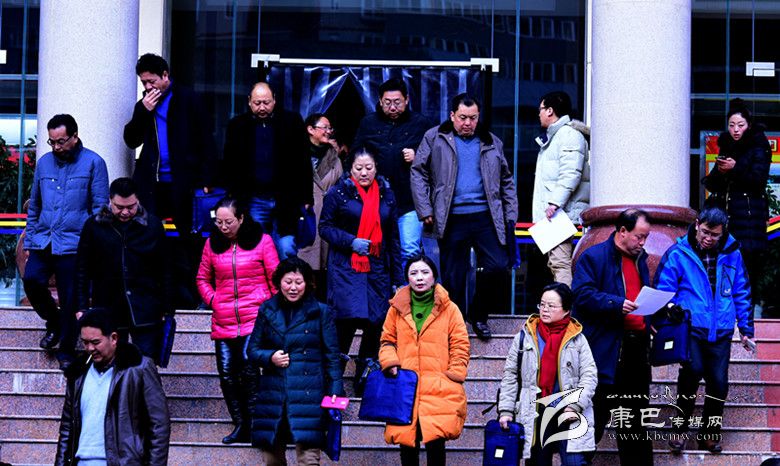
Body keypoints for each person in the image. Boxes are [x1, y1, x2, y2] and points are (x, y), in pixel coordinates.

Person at [411, 93, 518, 339]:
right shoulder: (435, 137)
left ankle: (478, 315)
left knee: (498, 266)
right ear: (452, 116)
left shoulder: (491, 141)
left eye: (473, 118)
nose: (468, 123)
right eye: (462, 118)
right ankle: (456, 324)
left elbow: (506, 180)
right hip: (451, 216)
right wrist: (425, 209)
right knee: (453, 275)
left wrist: (510, 215)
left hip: (486, 216)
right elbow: (418, 172)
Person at [655, 206, 754, 453]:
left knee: (719, 383)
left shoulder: (732, 253)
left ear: (723, 232)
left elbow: (741, 291)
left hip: (721, 329)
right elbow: (663, 289)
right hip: (691, 326)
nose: (709, 238)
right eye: (706, 232)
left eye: (715, 235)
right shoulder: (678, 253)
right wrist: (671, 307)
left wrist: (745, 329)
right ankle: (679, 431)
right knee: (692, 373)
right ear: (697, 224)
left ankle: (709, 434)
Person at [123, 53, 217, 308]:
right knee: (148, 236)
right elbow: (131, 139)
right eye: (144, 82)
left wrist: (207, 179)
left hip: (184, 183)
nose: (148, 87)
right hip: (152, 184)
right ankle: (151, 293)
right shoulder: (144, 105)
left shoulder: (188, 99)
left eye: (152, 81)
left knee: (189, 241)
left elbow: (206, 139)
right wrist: (144, 112)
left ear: (165, 76)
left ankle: (194, 296)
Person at [23, 114, 109, 367]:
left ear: (74, 136)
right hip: (44, 239)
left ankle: (67, 350)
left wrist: (92, 245)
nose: (56, 147)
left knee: (71, 298)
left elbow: (100, 208)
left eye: (61, 141)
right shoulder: (44, 163)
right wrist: (29, 241)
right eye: (52, 142)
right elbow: (35, 205)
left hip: (75, 243)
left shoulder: (94, 162)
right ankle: (54, 321)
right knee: (31, 280)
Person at [571, 208, 654, 465]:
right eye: (639, 236)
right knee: (593, 418)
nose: (642, 242)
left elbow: (639, 297)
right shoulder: (593, 257)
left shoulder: (641, 260)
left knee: (635, 423)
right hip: (604, 351)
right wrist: (615, 303)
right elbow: (581, 295)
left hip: (636, 351)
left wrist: (650, 320)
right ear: (622, 231)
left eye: (646, 237)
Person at [196, 196, 280, 444]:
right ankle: (240, 424)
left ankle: (255, 425)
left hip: (255, 316)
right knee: (226, 373)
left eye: (228, 222)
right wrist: (214, 300)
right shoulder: (212, 244)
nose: (223, 227)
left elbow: (276, 279)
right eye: (219, 222)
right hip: (224, 318)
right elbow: (202, 278)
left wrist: (269, 309)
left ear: (241, 219)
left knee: (249, 367)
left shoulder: (262, 241)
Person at [319, 148, 404, 391]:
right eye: (359, 168)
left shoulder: (386, 194)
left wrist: (398, 279)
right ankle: (333, 384)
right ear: (350, 169)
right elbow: (324, 227)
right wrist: (350, 241)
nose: (364, 173)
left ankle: (364, 380)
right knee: (345, 322)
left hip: (377, 268)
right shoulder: (338, 193)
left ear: (376, 168)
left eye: (369, 168)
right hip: (347, 267)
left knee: (375, 323)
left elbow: (393, 238)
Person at [246, 257, 342, 465]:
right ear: (279, 282)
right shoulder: (267, 309)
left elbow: (332, 355)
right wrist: (270, 357)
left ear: (307, 283)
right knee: (271, 458)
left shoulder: (320, 311)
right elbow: (252, 350)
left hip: (309, 392)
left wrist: (335, 390)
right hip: (274, 392)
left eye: (299, 282)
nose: (293, 288)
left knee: (309, 458)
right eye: (288, 282)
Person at [378, 254, 470, 466]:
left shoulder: (450, 309)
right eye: (414, 273)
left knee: (436, 444)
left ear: (434, 277)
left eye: (425, 272)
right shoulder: (396, 308)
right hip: (405, 387)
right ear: (407, 278)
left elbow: (460, 345)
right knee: (407, 444)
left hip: (438, 387)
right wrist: (390, 363)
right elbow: (387, 341)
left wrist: (453, 375)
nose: (419, 277)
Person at [55, 307, 170, 465]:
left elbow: (159, 425)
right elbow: (67, 428)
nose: (89, 348)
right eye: (85, 342)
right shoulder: (78, 373)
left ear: (114, 338)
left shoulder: (139, 369)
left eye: (95, 342)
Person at [498, 282, 597, 465]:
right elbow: (510, 376)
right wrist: (506, 410)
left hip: (568, 409)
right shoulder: (525, 336)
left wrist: (575, 406)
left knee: (574, 462)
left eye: (551, 306)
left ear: (566, 310)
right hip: (536, 411)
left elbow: (589, 376)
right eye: (542, 304)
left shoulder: (577, 338)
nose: (544, 310)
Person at [75, 177, 173, 362]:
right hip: (108, 306)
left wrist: (167, 308)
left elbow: (165, 269)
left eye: (131, 207)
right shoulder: (94, 226)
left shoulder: (153, 226)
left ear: (138, 201)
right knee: (112, 365)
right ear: (110, 201)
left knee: (145, 364)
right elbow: (82, 269)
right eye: (119, 207)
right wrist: (81, 306)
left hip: (146, 307)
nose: (125, 212)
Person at [221, 81, 313, 260]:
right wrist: (233, 194)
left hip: (286, 197)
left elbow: (303, 161)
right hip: (254, 197)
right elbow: (229, 163)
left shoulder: (292, 122)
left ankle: (286, 279)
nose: (262, 107)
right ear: (249, 101)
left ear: (274, 100)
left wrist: (307, 197)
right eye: (257, 103)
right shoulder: (237, 125)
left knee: (286, 247)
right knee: (256, 248)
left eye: (266, 102)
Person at [352, 78, 432, 264]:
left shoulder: (421, 124)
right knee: (377, 251)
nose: (393, 107)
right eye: (387, 102)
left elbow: (438, 160)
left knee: (409, 250)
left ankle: (405, 283)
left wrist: (418, 156)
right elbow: (354, 157)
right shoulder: (368, 123)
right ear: (380, 101)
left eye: (397, 102)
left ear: (407, 99)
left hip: (410, 201)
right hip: (375, 200)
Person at [703, 99, 771, 307]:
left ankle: (747, 318)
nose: (735, 130)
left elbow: (758, 180)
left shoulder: (759, 144)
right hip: (727, 218)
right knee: (724, 270)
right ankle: (726, 315)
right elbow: (713, 184)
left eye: (740, 125)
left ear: (748, 125)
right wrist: (720, 171)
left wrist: (735, 168)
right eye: (731, 125)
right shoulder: (727, 146)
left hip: (750, 218)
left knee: (748, 270)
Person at [533, 91, 590, 286]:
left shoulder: (568, 135)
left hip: (562, 214)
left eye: (541, 109)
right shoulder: (557, 136)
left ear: (550, 111)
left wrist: (554, 203)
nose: (539, 114)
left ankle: (566, 304)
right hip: (558, 213)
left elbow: (570, 173)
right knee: (556, 263)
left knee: (560, 263)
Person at [297, 113, 343, 299]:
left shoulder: (334, 156)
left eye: (330, 128)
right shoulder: (297, 154)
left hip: (328, 215)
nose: (329, 131)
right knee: (305, 259)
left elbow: (340, 185)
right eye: (325, 127)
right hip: (305, 214)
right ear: (310, 129)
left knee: (326, 263)